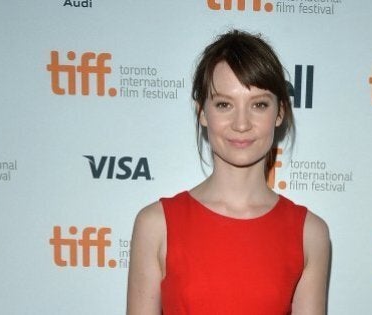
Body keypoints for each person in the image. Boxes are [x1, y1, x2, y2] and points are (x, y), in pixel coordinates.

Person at [126, 29, 330, 315]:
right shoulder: (156, 225)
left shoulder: (309, 233)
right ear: (202, 113)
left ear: (280, 112)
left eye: (259, 104)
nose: (241, 123)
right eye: (224, 104)